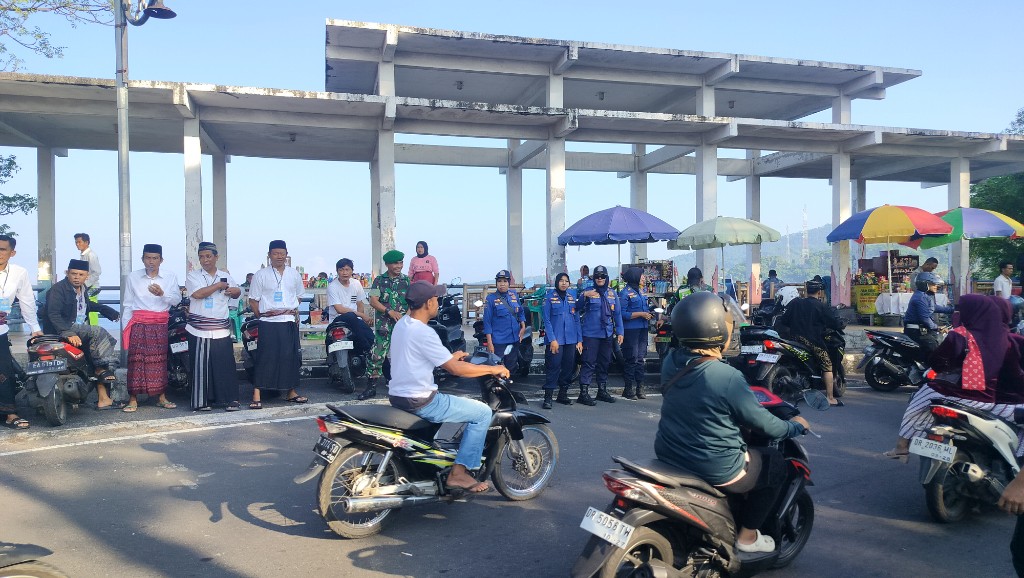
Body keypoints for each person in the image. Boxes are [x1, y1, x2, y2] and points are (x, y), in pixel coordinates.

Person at [655, 291, 809, 554]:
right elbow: (765, 425)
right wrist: (795, 426)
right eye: (728, 324)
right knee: (773, 463)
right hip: (715, 465)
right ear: (715, 329)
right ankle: (747, 537)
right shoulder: (727, 376)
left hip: (669, 454)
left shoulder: (671, 362)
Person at [388, 281, 510, 493]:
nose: (438, 302)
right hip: (421, 400)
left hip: (398, 395)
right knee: (482, 413)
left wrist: (449, 357)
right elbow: (456, 370)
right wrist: (492, 369)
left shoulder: (402, 325)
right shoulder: (424, 332)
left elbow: (419, 358)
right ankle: (459, 474)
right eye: (436, 299)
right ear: (428, 303)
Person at [884, 294, 1024, 461]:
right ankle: (1018, 459)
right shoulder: (1007, 339)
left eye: (960, 310)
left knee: (918, 401)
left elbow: (937, 363)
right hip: (991, 401)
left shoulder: (961, 334)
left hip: (956, 394)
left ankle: (901, 446)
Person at [41, 259, 122, 410]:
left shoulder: (82, 289)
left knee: (94, 356)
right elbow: (53, 314)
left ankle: (104, 399)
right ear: (67, 273)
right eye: (73, 274)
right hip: (62, 329)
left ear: (87, 276)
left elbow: (84, 307)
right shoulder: (58, 290)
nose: (77, 277)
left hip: (77, 329)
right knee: (98, 332)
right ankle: (101, 369)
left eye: (80, 274)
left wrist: (105, 309)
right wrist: (67, 332)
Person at [247, 240, 307, 409]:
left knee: (290, 357)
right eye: (275, 253)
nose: (279, 256)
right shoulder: (260, 275)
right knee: (265, 357)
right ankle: (257, 394)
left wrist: (286, 310)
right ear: (269, 255)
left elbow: (299, 297)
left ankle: (291, 392)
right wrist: (264, 316)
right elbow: (253, 301)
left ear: (287, 255)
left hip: (288, 321)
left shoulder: (294, 274)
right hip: (268, 322)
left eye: (282, 253)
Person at [121, 244, 180, 413]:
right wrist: (126, 328)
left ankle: (161, 397)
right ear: (142, 259)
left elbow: (176, 300)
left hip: (160, 324)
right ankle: (133, 399)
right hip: (138, 323)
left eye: (155, 258)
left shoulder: (170, 276)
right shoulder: (133, 277)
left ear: (161, 260)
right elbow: (128, 304)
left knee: (159, 361)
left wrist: (163, 294)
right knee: (136, 361)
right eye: (148, 258)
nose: (151, 261)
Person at [185, 242, 242, 411]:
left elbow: (237, 293)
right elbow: (197, 294)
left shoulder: (225, 276)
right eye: (202, 257)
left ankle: (230, 400)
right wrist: (218, 286)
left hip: (220, 329)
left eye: (208, 256)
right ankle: (201, 402)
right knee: (200, 367)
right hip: (198, 330)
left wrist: (235, 291)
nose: (205, 260)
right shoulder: (193, 276)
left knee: (225, 366)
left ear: (216, 257)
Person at [778, 277, 844, 407]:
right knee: (827, 365)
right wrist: (839, 324)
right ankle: (830, 398)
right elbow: (833, 322)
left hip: (794, 340)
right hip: (813, 342)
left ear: (806, 291)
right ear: (819, 292)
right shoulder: (821, 306)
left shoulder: (796, 303)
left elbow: (784, 321)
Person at [0, 235, 42, 429]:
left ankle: (10, 413)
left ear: (12, 253)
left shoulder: (19, 273)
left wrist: (35, 328)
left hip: (1, 330)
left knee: (5, 371)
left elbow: (27, 301)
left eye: (2, 249)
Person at [358, 250, 411, 400]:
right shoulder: (379, 280)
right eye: (395, 263)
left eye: (401, 262)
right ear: (387, 264)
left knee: (404, 356)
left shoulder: (407, 281)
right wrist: (389, 311)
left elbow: (412, 302)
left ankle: (403, 387)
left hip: (403, 325)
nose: (399, 266)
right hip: (384, 325)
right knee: (376, 355)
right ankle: (371, 387)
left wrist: (406, 317)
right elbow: (373, 301)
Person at [578, 265, 623, 406]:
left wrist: (620, 332)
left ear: (606, 278)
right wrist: (584, 296)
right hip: (590, 333)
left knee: (605, 362)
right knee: (589, 362)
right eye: (597, 276)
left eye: (602, 276)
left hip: (607, 333)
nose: (599, 278)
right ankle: (583, 393)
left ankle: (601, 390)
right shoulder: (588, 291)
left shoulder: (612, 293)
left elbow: (618, 314)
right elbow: (577, 308)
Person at [541, 272, 582, 409]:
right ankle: (548, 397)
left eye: (566, 281)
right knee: (553, 367)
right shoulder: (549, 298)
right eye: (561, 281)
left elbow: (577, 320)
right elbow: (546, 320)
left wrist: (579, 340)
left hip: (571, 339)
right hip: (556, 340)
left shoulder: (572, 298)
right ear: (556, 282)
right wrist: (552, 339)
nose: (564, 283)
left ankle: (562, 394)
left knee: (568, 367)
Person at [326, 258, 374, 357]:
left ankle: (381, 363)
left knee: (371, 336)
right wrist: (362, 315)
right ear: (337, 271)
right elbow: (339, 309)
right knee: (350, 316)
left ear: (352, 271)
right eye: (341, 270)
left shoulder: (356, 284)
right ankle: (365, 347)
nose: (344, 273)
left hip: (354, 320)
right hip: (338, 320)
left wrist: (360, 318)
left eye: (347, 269)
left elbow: (360, 303)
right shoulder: (332, 286)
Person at [618, 267, 653, 400]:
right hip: (631, 330)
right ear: (634, 277)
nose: (643, 277)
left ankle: (640, 387)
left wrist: (649, 313)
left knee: (640, 359)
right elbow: (622, 314)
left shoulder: (641, 292)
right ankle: (628, 389)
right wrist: (641, 314)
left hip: (643, 329)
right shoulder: (624, 293)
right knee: (631, 359)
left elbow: (645, 309)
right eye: (641, 275)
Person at [482, 269, 526, 375]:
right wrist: (490, 343)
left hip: (513, 339)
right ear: (496, 283)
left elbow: (520, 311)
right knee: (497, 369)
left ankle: (509, 384)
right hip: (499, 341)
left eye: (505, 281)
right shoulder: (490, 299)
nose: (502, 284)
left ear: (509, 283)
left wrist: (523, 326)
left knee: (511, 367)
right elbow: (487, 322)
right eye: (499, 281)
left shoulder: (514, 295)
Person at [903, 272, 954, 358]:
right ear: (924, 284)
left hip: (922, 330)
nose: (936, 286)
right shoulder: (920, 298)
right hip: (916, 331)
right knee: (935, 352)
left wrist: (953, 310)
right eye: (933, 284)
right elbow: (924, 318)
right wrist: (937, 327)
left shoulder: (924, 296)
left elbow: (934, 307)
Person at [74, 233, 102, 325]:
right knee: (84, 308)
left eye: (79, 242)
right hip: (87, 287)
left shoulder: (91, 255)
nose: (77, 244)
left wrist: (84, 284)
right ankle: (88, 328)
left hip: (91, 287)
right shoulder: (84, 255)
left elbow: (97, 272)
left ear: (86, 242)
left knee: (91, 309)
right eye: (76, 242)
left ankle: (94, 329)